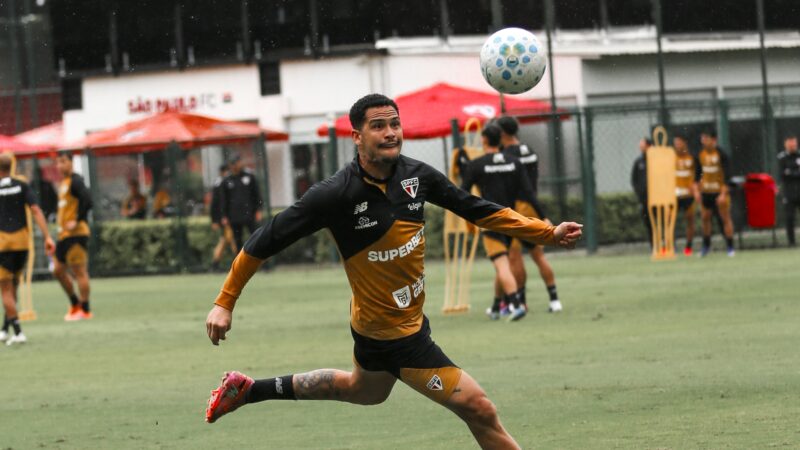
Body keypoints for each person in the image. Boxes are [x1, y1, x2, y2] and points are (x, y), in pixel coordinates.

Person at [204, 94, 582, 449]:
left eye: (395, 124)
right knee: (479, 408)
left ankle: (249, 390)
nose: (391, 133)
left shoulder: (416, 176)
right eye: (379, 126)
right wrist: (224, 303)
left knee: (362, 391)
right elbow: (261, 242)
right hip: (393, 337)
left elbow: (478, 209)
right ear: (356, 136)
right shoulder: (335, 195)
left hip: (391, 323)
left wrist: (546, 233)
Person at [458, 124, 535, 322]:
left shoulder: (476, 165)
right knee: (505, 264)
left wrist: (463, 167)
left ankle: (516, 305)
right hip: (511, 219)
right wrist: (541, 215)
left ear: (483, 140)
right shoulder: (515, 162)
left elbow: (461, 193)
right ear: (500, 139)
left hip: (490, 220)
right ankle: (495, 307)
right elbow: (527, 191)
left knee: (502, 265)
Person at [496, 116, 562, 313]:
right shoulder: (529, 150)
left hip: (517, 209)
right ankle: (554, 300)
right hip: (532, 206)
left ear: (503, 133)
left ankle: (522, 300)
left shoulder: (506, 155)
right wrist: (542, 213)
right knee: (538, 255)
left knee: (514, 256)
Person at [0, 154, 55, 345]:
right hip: (22, 242)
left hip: (3, 243)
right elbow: (36, 210)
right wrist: (47, 236)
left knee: (5, 290)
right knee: (14, 285)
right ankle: (4, 329)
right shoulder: (22, 185)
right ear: (11, 166)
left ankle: (18, 332)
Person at [53, 153, 94, 321]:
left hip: (76, 234)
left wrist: (77, 220)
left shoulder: (76, 180)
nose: (60, 165)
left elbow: (88, 200)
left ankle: (84, 309)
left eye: (63, 161)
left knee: (79, 272)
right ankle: (74, 303)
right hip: (64, 235)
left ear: (71, 162)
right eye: (58, 162)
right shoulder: (64, 182)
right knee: (57, 270)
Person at [697, 130, 735, 257]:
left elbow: (728, 176)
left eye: (706, 137)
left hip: (719, 192)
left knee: (725, 218)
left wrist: (723, 194)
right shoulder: (700, 154)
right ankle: (706, 246)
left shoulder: (722, 154)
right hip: (706, 192)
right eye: (702, 138)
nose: (703, 140)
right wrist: (697, 191)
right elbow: (697, 175)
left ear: (714, 140)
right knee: (705, 218)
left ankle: (730, 247)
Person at [220, 153, 263, 251]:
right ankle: (240, 263)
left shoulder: (249, 176)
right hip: (234, 216)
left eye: (236, 163)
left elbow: (256, 194)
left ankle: (261, 260)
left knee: (255, 237)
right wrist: (224, 215)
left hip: (249, 213)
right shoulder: (227, 180)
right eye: (232, 164)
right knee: (237, 240)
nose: (235, 165)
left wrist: (258, 210)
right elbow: (224, 199)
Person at [673, 134, 701, 256]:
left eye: (679, 143)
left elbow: (699, 176)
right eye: (675, 143)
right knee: (670, 220)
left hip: (688, 195)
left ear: (685, 143)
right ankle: (670, 246)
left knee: (690, 220)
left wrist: (696, 188)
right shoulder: (671, 158)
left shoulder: (693, 158)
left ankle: (688, 247)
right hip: (674, 195)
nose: (677, 146)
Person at [210, 164, 236, 271]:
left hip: (222, 217)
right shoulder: (222, 183)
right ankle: (240, 262)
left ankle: (215, 263)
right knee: (232, 240)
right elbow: (217, 203)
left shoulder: (219, 182)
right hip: (224, 218)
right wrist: (216, 219)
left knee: (225, 240)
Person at [777, 134, 800, 246]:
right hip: (789, 192)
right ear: (786, 144)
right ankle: (791, 242)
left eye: (794, 144)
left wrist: (790, 172)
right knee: (789, 217)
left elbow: (788, 173)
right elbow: (782, 174)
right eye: (790, 144)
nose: (793, 146)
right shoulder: (782, 158)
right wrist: (795, 172)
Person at [631, 137, 653, 246]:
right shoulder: (638, 162)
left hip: (657, 198)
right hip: (644, 199)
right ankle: (653, 246)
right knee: (648, 222)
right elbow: (634, 179)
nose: (641, 147)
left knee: (659, 222)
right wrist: (639, 192)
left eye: (643, 145)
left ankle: (665, 245)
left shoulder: (657, 160)